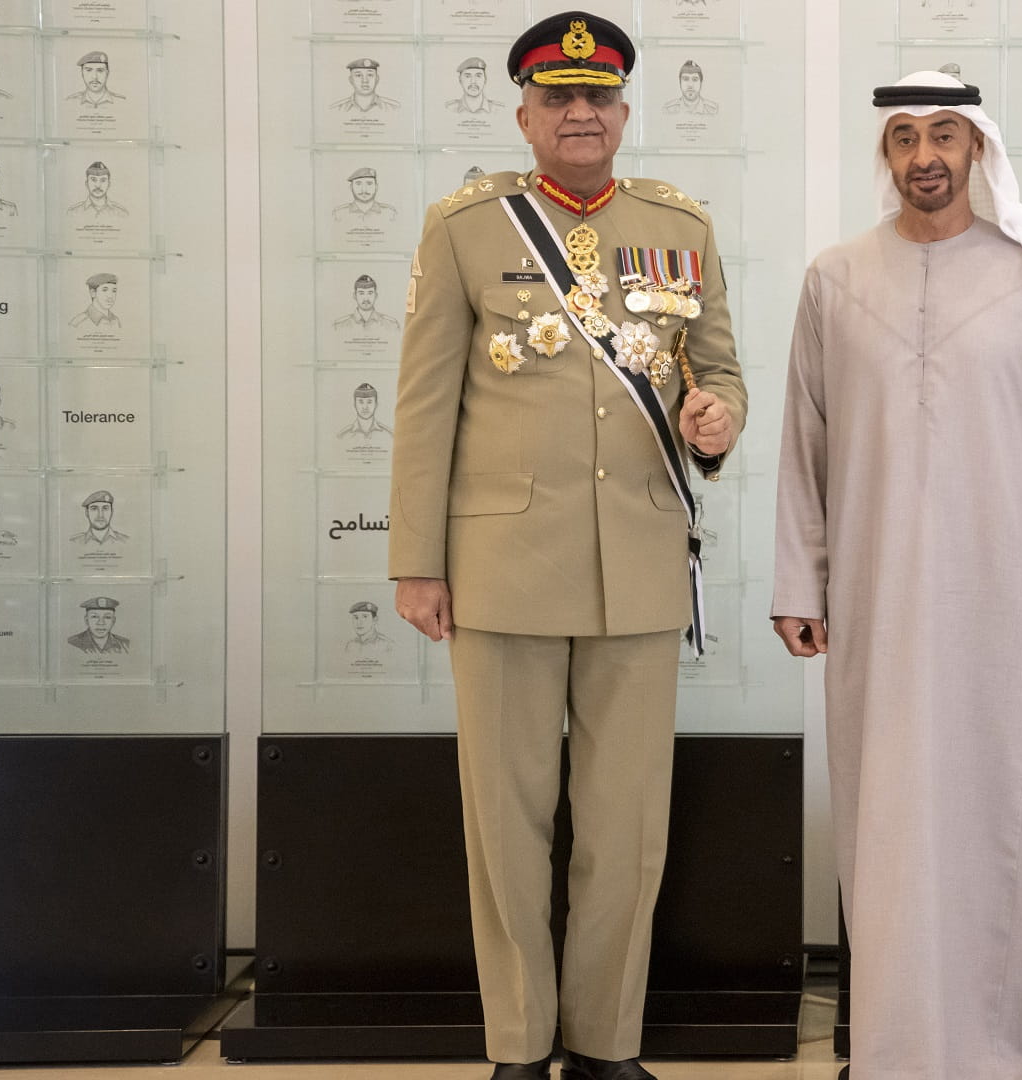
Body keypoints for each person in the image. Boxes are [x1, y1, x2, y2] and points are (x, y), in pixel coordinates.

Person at [388, 12, 744, 1080]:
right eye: (559, 99)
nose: (579, 114)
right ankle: (515, 1043)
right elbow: (423, 406)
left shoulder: (680, 226)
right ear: (525, 114)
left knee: (626, 829)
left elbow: (715, 369)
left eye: (598, 99)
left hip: (637, 562)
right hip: (500, 570)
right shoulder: (465, 227)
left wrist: (716, 421)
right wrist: (417, 558)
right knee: (506, 824)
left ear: (624, 114)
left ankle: (605, 1042)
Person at [771, 69, 1022, 1080]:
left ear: (978, 150)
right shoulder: (835, 279)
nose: (926, 156)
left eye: (946, 136)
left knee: (1013, 818)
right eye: (907, 137)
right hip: (876, 606)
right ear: (886, 154)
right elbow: (804, 439)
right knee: (888, 823)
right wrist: (801, 579)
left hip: (1009, 606)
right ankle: (896, 1047)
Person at [333, 168, 399, 223]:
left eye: (369, 183)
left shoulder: (390, 213)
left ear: (376, 187)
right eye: (358, 184)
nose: (364, 190)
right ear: (351, 187)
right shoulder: (338, 213)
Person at [332, 57, 398, 112]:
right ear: (351, 80)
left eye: (370, 75)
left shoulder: (393, 108)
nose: (365, 80)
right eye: (358, 75)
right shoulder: (337, 109)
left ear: (377, 79)